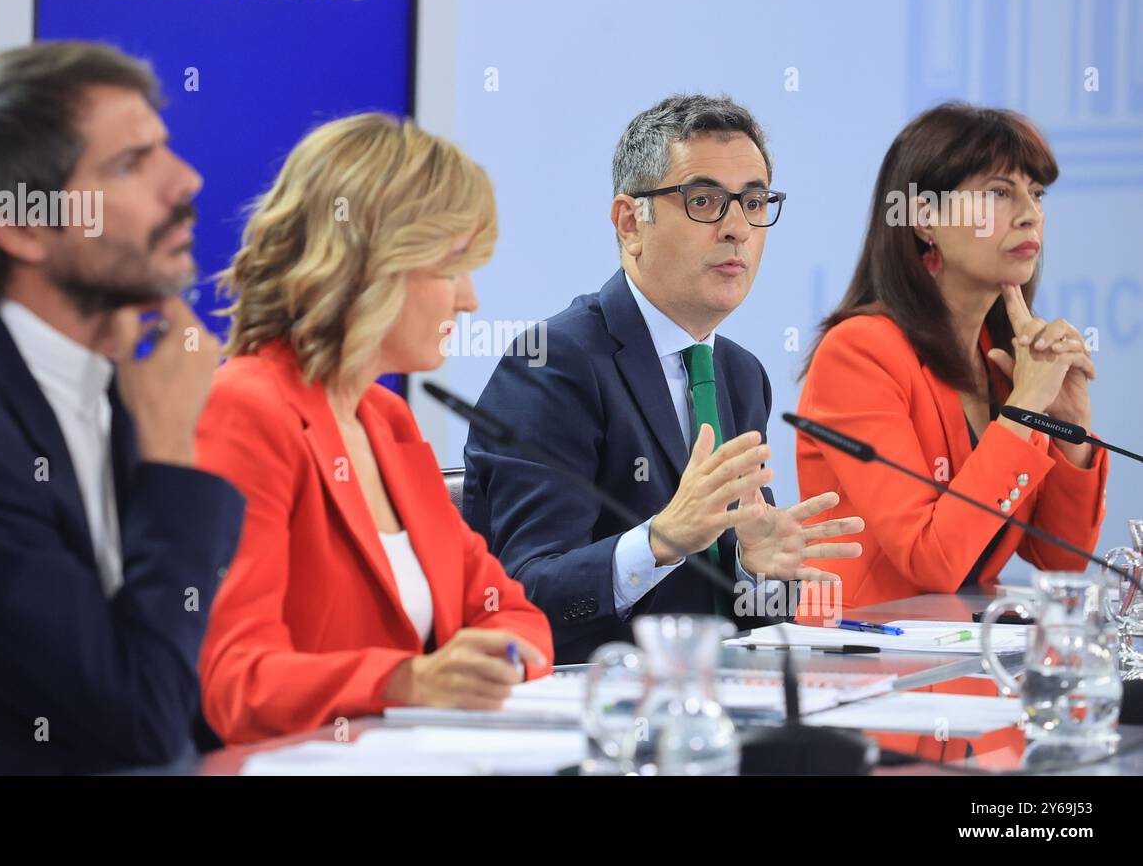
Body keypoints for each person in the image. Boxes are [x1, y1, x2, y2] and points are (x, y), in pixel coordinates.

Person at [0, 42, 244, 774]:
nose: (187, 181)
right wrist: (169, 453)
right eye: (130, 164)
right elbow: (139, 721)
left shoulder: (106, 369)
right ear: (21, 226)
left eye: (165, 149)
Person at [463, 94, 863, 665]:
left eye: (753, 202)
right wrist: (659, 541)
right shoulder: (553, 363)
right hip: (590, 713)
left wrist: (752, 568)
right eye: (704, 201)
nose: (737, 229)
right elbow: (522, 591)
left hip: (708, 707)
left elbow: (726, 614)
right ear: (631, 223)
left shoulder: (739, 374)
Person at [196, 113, 553, 742]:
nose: (469, 300)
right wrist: (408, 681)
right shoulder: (245, 408)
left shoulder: (385, 418)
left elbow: (511, 611)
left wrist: (495, 664)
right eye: (451, 268)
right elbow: (235, 681)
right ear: (370, 264)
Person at [796, 102, 1109, 607]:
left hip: (966, 662)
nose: (1030, 215)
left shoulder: (1004, 359)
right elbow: (931, 557)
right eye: (999, 193)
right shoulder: (858, 353)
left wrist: (1069, 429)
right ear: (924, 219)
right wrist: (1025, 408)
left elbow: (1062, 561)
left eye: (1036, 193)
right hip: (864, 664)